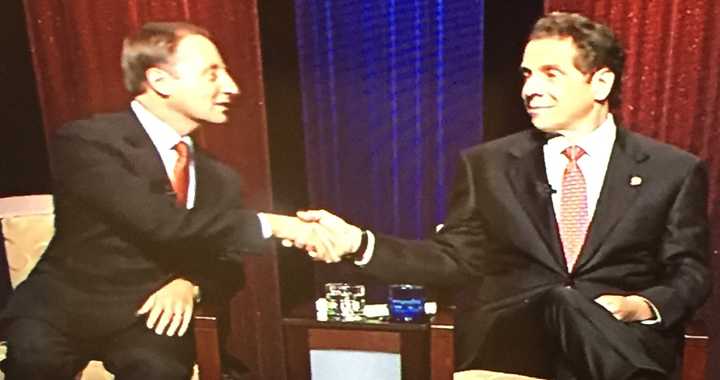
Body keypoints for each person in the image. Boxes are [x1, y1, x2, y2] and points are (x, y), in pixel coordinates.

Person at [296, 12, 711, 380]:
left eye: (551, 73)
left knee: (571, 304)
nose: (531, 88)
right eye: (527, 75)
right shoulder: (488, 165)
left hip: (615, 342)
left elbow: (690, 273)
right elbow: (453, 258)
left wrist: (639, 305)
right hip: (515, 346)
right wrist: (358, 243)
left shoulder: (671, 170)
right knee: (557, 301)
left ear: (600, 82)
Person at [1, 22, 323, 380]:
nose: (231, 87)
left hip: (147, 317)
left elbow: (228, 263)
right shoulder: (87, 141)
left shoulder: (221, 178)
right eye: (212, 74)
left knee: (160, 370)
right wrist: (276, 223)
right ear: (160, 82)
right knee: (33, 360)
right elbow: (160, 222)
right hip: (63, 310)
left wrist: (191, 284)